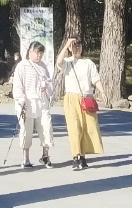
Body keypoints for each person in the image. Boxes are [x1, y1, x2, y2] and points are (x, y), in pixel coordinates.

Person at [59, 38, 104, 170]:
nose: (77, 49)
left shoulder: (88, 63)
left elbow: (96, 79)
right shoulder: (67, 62)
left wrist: (103, 92)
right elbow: (59, 62)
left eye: (79, 46)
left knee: (87, 127)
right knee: (75, 128)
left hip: (86, 98)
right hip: (71, 98)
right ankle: (75, 157)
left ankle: (83, 157)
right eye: (74, 47)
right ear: (69, 49)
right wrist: (67, 44)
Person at [11, 40, 56, 168]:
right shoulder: (22, 66)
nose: (39, 55)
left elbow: (50, 85)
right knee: (26, 130)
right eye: (37, 52)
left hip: (42, 102)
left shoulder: (44, 66)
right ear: (30, 52)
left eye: (41, 53)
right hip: (27, 103)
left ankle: (45, 156)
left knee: (46, 128)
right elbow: (18, 85)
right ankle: (25, 158)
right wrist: (21, 100)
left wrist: (47, 89)